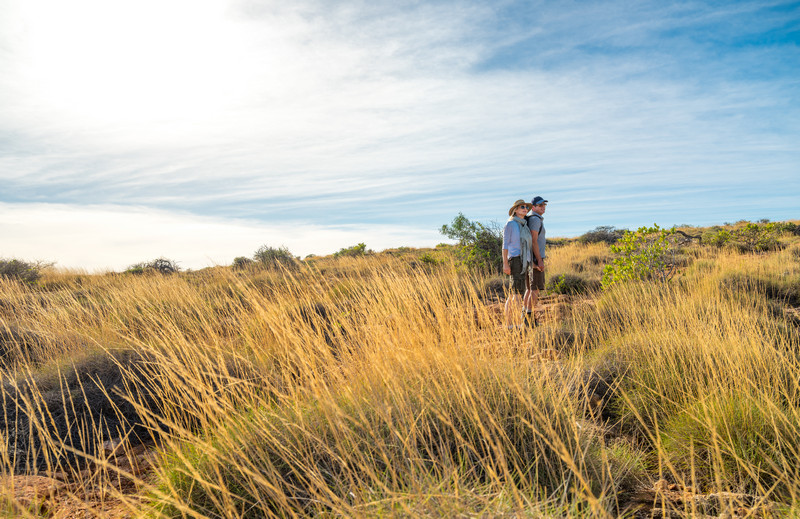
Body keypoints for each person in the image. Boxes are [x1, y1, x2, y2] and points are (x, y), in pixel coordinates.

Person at [502, 199, 533, 327]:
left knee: (516, 293)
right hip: (515, 260)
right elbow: (504, 246)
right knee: (516, 294)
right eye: (522, 207)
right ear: (515, 210)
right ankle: (512, 324)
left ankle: (512, 323)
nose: (525, 209)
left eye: (526, 207)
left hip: (524, 261)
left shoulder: (523, 225)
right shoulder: (511, 224)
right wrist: (505, 263)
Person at [523, 196, 547, 325]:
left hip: (529, 258)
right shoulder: (535, 220)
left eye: (544, 204)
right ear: (533, 207)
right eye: (540, 205)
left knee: (529, 288)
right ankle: (529, 319)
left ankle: (525, 315)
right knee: (535, 289)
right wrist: (539, 260)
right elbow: (534, 240)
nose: (543, 206)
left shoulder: (533, 219)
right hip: (534, 258)